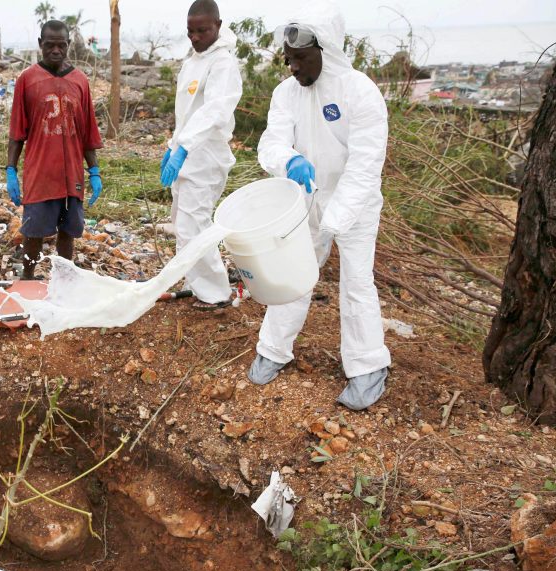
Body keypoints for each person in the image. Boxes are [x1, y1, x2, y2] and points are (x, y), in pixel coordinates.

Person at [248, 1, 391, 411]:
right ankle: (273, 350)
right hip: (305, 199)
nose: (292, 67)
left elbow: (365, 168)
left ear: (325, 50)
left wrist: (336, 218)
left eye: (300, 59)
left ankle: (367, 367)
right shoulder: (286, 93)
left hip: (356, 206)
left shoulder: (359, 92)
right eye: (287, 59)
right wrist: (287, 159)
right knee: (293, 275)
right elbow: (270, 143)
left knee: (357, 283)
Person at [6, 19, 104, 281]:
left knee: (68, 231)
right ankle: (28, 276)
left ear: (68, 45)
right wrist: (10, 170)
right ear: (41, 44)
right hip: (40, 172)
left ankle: (64, 278)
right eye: (50, 45)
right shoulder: (27, 80)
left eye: (61, 46)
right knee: (34, 230)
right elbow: (17, 132)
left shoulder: (80, 81)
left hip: (72, 172)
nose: (56, 51)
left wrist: (94, 170)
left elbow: (87, 132)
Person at [160, 0, 242, 310]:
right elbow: (187, 114)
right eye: (190, 31)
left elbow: (216, 112)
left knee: (194, 224)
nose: (195, 37)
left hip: (206, 156)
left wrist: (185, 147)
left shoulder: (223, 63)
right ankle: (196, 281)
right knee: (181, 220)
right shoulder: (193, 60)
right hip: (186, 153)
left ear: (218, 26)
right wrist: (172, 148)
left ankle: (216, 292)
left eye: (202, 30)